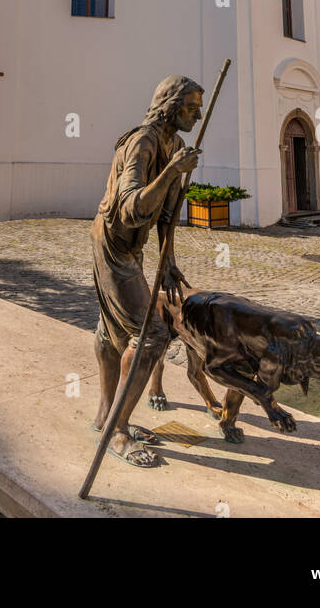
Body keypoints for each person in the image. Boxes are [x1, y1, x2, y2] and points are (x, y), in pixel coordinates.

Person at [90, 74, 203, 467]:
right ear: (170, 106)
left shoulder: (176, 145)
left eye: (200, 108)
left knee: (112, 332)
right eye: (191, 107)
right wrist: (171, 170)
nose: (198, 114)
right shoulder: (143, 141)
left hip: (132, 247)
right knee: (151, 334)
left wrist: (167, 262)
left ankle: (106, 417)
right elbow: (131, 208)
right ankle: (117, 431)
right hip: (112, 243)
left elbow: (166, 216)